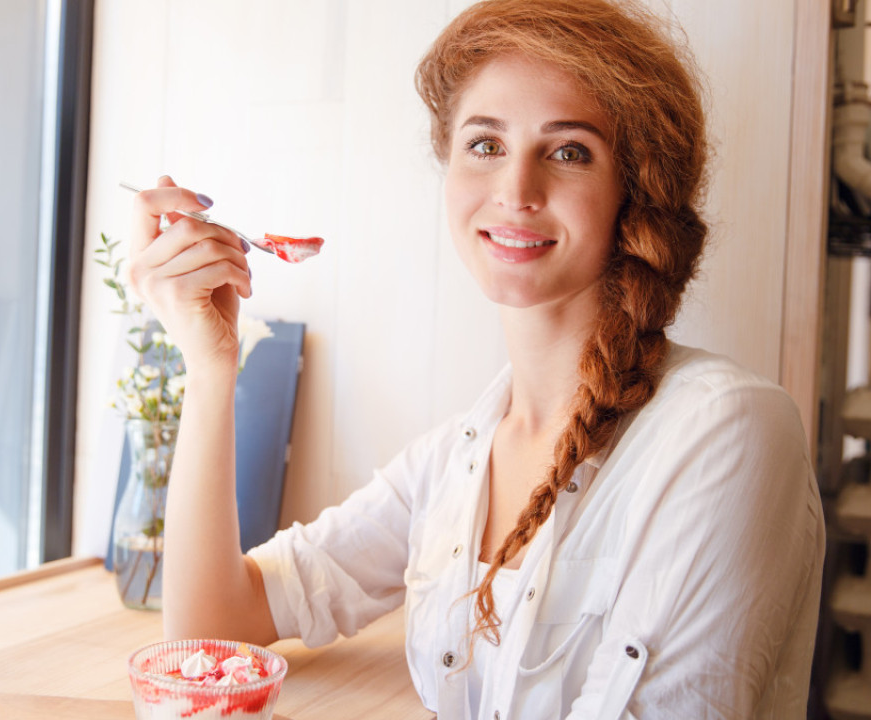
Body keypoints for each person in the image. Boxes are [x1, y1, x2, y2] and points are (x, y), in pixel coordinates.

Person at [127, 0, 824, 717]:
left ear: (633, 193)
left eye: (569, 151)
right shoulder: (449, 466)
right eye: (485, 145)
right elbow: (212, 632)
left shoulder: (727, 433)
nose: (515, 191)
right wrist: (210, 370)